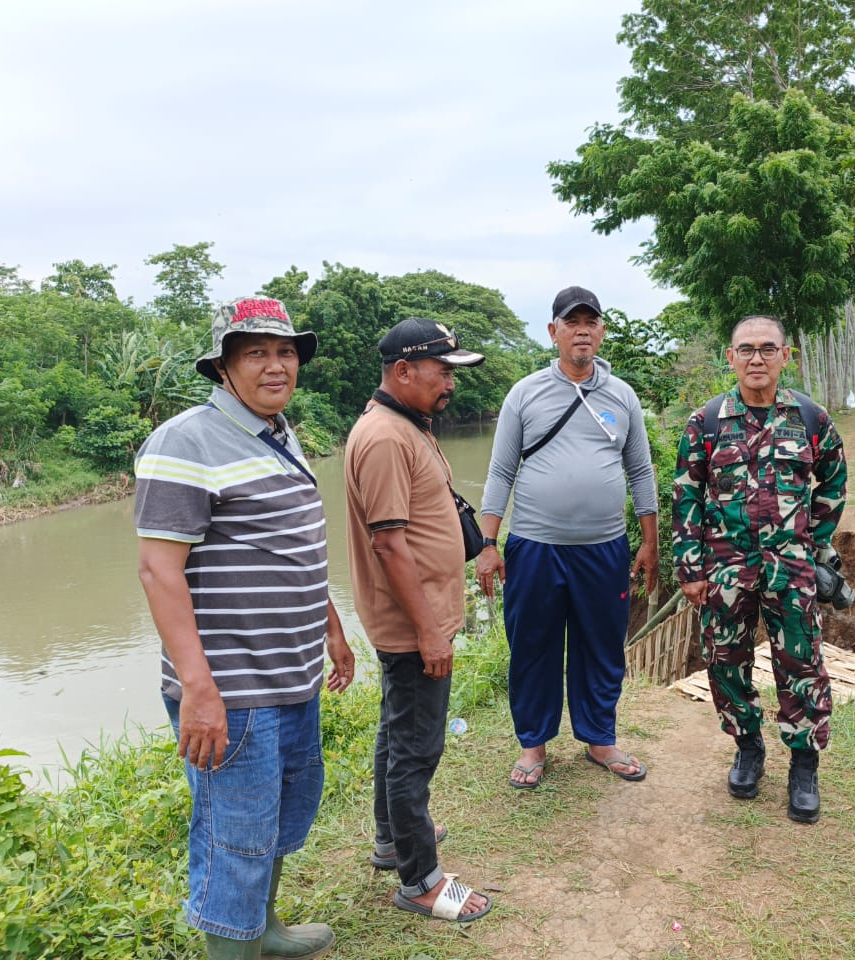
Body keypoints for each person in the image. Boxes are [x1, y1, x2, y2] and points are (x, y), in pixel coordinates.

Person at [134, 296, 355, 960]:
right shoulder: (185, 440)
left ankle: (267, 932)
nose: (276, 364)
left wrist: (333, 630)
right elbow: (157, 572)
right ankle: (236, 945)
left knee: (281, 819)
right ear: (224, 366)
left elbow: (293, 549)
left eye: (285, 351)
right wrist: (200, 691)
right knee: (235, 838)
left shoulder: (280, 433)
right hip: (232, 692)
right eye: (255, 352)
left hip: (292, 677)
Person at [476, 285, 659, 789]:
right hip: (535, 547)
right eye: (571, 322)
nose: (582, 330)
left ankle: (599, 738)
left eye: (591, 322)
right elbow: (500, 473)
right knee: (533, 646)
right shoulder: (525, 393)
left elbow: (641, 472)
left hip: (604, 549)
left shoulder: (622, 396)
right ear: (553, 331)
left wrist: (649, 542)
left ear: (601, 332)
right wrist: (487, 545)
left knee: (601, 646)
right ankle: (533, 745)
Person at [343, 317, 493, 923]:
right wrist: (430, 629)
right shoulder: (384, 438)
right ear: (403, 371)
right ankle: (420, 880)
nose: (450, 382)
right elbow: (388, 545)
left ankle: (390, 840)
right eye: (442, 370)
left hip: (417, 621)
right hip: (413, 626)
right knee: (416, 749)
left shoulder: (407, 425)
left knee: (397, 732)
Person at [672, 315, 847, 824]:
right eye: (745, 350)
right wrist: (691, 568)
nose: (756, 359)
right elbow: (686, 495)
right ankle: (748, 747)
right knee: (726, 660)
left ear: (785, 356)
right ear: (730, 358)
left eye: (767, 349)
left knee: (802, 663)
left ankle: (804, 762)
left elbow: (833, 483)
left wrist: (810, 542)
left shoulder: (811, 419)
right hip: (725, 568)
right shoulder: (705, 422)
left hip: (791, 568)